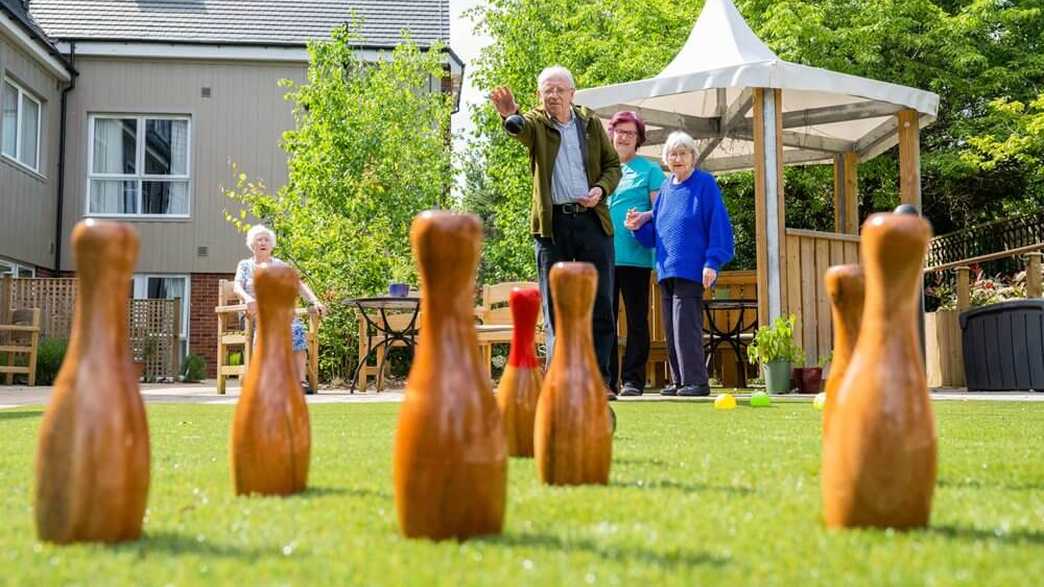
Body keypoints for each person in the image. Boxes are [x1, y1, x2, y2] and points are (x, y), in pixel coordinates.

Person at [490, 65, 622, 398]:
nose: (554, 95)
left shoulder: (590, 124)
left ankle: (601, 381)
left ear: (572, 93)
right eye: (547, 90)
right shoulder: (536, 123)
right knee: (553, 307)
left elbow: (612, 166)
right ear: (539, 95)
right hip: (553, 226)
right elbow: (519, 129)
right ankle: (559, 381)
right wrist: (510, 115)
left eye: (559, 89)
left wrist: (600, 191)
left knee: (601, 302)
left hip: (593, 221)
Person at [625, 131, 734, 397]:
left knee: (686, 325)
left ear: (693, 157)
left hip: (691, 267)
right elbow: (657, 234)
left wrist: (712, 262)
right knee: (672, 328)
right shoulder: (665, 189)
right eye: (672, 154)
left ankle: (696, 381)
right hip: (666, 269)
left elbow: (718, 225)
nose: (677, 158)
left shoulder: (704, 184)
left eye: (682, 153)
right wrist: (636, 228)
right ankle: (679, 380)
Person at [606, 111, 665, 397]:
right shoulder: (600, 168)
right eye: (620, 131)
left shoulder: (650, 170)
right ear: (611, 135)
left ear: (638, 139)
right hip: (602, 256)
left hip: (636, 257)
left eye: (630, 133)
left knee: (637, 320)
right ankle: (607, 381)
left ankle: (633, 381)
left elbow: (663, 210)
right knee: (604, 320)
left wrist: (644, 215)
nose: (624, 137)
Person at [233, 225, 327, 394]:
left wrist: (315, 301)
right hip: (253, 313)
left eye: (266, 239)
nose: (263, 243)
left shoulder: (279, 265)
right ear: (252, 244)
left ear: (272, 244)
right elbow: (237, 286)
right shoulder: (245, 265)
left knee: (296, 328)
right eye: (259, 239)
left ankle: (301, 381)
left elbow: (299, 285)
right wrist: (248, 298)